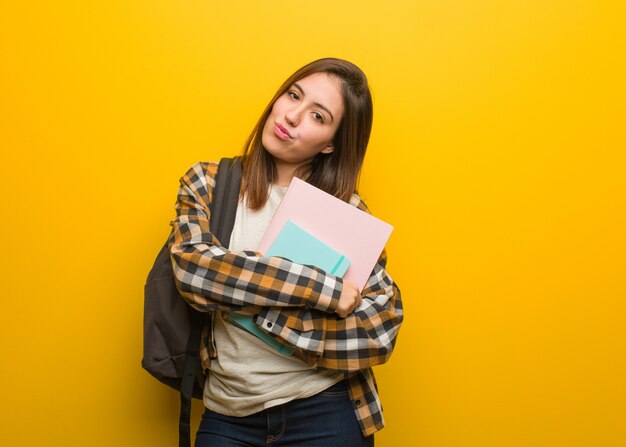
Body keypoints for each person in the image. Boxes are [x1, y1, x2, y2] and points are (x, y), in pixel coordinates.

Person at [169, 58, 403, 447]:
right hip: (228, 413)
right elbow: (194, 272)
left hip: (326, 412)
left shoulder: (346, 212)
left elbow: (380, 328)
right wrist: (321, 290)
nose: (292, 116)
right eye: (293, 95)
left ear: (331, 143)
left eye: (317, 115)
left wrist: (251, 307)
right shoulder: (209, 182)